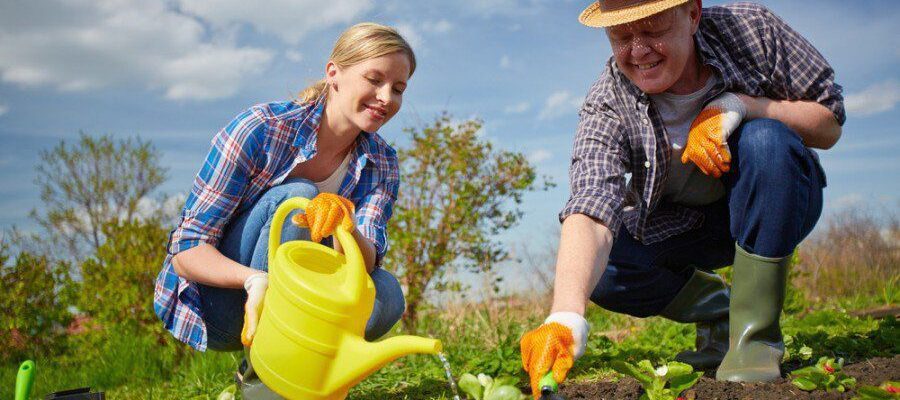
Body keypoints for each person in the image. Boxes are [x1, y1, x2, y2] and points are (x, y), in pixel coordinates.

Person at [520, 0, 843, 395]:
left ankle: (754, 341)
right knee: (602, 272)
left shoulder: (751, 30)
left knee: (766, 140)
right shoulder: (606, 104)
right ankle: (723, 311)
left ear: (692, 14)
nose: (638, 51)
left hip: (777, 199)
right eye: (621, 37)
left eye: (653, 30)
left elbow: (828, 124)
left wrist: (740, 106)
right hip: (684, 230)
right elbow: (591, 205)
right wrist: (566, 315)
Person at [153, 22, 415, 354]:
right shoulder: (261, 129)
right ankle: (263, 376)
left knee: (387, 292)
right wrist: (254, 279)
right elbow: (187, 251)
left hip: (301, 302)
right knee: (299, 198)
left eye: (398, 88)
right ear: (333, 72)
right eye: (375, 80)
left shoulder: (383, 163)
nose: (385, 98)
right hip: (223, 302)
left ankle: (298, 365)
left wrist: (343, 227)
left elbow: (365, 263)